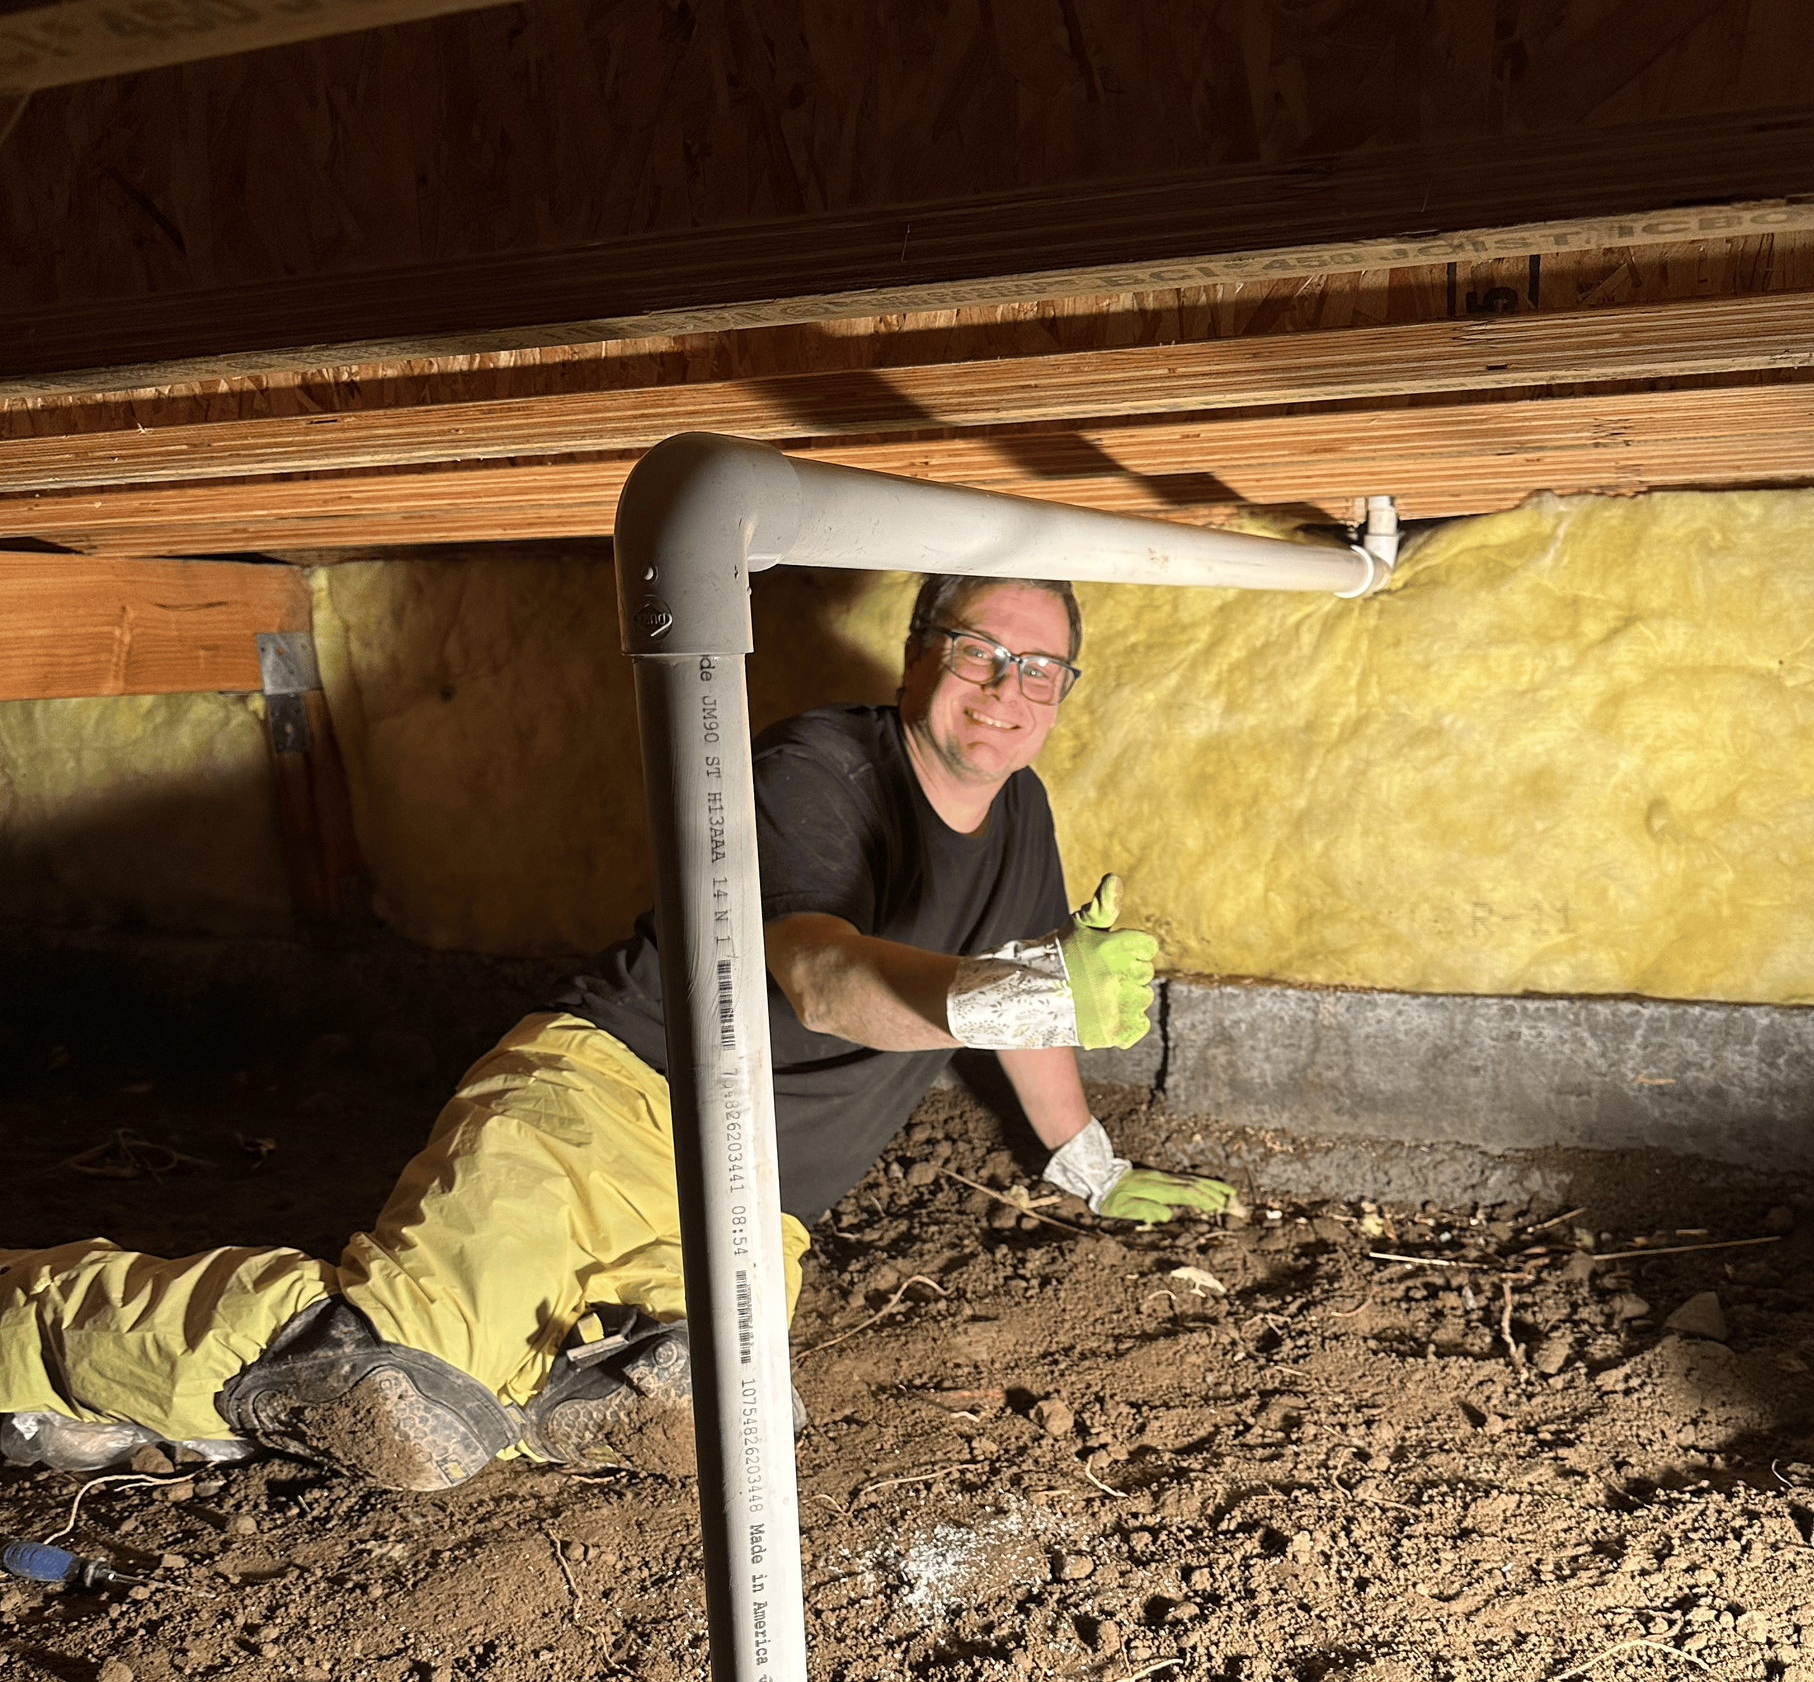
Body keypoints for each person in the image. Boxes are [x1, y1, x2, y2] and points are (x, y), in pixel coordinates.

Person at [0, 574, 1233, 1494]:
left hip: (755, 1206)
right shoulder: (822, 766)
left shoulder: (1022, 815)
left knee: (707, 1398)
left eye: (1040, 670)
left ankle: (545, 1384)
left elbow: (1026, 1022)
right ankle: (30, 1328)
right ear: (919, 653)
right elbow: (814, 971)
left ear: (1064, 694)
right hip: (603, 1108)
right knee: (381, 1369)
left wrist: (1090, 1164)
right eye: (979, 650)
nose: (1007, 689)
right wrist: (1019, 990)